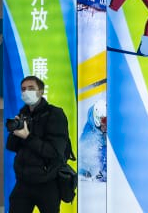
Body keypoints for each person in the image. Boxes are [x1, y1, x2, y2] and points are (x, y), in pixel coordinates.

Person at [6, 76, 70, 213]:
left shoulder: (55, 114)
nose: (26, 92)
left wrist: (27, 137)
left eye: (31, 88)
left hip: (47, 184)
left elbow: (54, 151)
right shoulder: (23, 114)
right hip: (23, 183)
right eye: (23, 89)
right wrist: (15, 131)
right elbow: (11, 147)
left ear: (40, 91)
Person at [78, 99, 106, 181]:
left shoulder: (101, 123)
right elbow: (82, 157)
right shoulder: (89, 138)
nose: (108, 124)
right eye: (105, 120)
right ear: (98, 119)